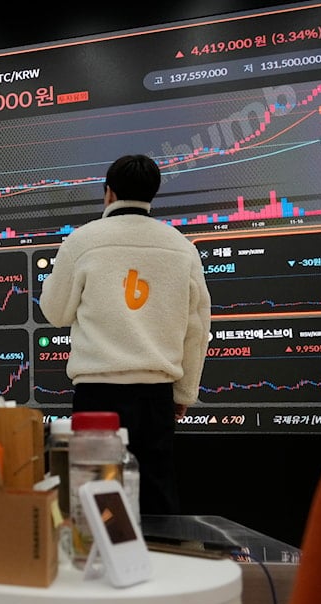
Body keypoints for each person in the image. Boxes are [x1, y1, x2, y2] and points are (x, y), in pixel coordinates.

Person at [38, 154, 211, 515]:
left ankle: (101, 567)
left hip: (97, 393)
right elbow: (197, 328)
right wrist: (184, 392)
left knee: (95, 497)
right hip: (156, 395)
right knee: (157, 494)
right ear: (153, 194)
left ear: (108, 193)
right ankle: (162, 567)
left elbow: (55, 313)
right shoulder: (181, 246)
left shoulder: (82, 241)